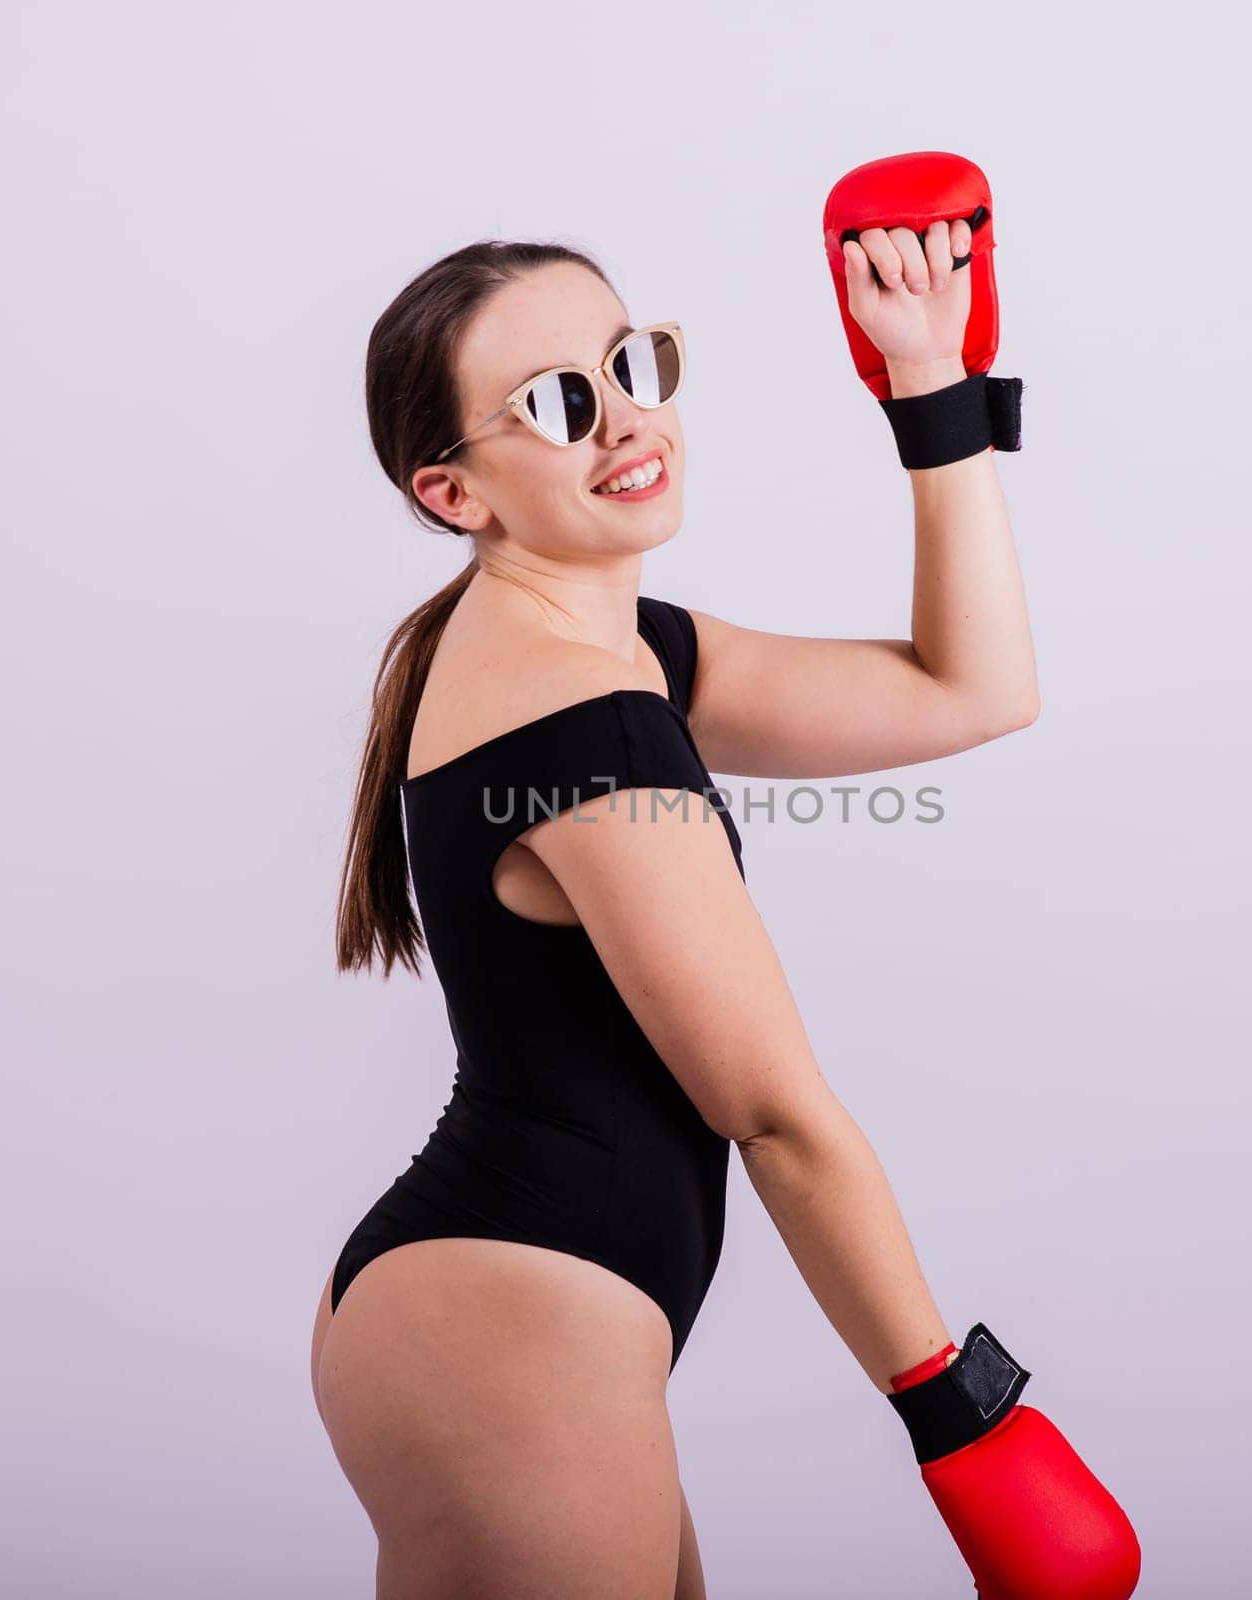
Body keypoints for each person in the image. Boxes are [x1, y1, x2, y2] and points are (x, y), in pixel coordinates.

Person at [309, 228, 1040, 1600]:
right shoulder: (581, 720)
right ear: (451, 490)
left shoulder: (609, 650)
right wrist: (963, 1418)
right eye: (556, 403)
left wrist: (932, 391)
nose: (627, 418)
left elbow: (972, 690)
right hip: (507, 1335)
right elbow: (775, 1116)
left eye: (629, 363)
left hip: (509, 1323)